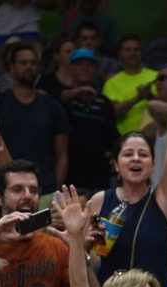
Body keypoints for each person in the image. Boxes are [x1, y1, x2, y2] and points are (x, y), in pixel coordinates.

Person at [89, 51, 167, 287]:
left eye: (143, 154)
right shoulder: (99, 201)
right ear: (116, 165)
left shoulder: (163, 199)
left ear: (152, 165)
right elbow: (90, 259)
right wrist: (83, 244)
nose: (136, 159)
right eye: (128, 154)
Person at [0, 40, 70, 195]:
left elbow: (62, 153)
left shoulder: (53, 107)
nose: (29, 66)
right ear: (12, 68)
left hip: (43, 192)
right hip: (1, 192)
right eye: (23, 63)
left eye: (33, 63)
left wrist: (56, 190)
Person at [61, 47, 119, 193]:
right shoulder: (61, 102)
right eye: (79, 64)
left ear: (95, 69)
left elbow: (112, 135)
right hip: (70, 176)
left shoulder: (104, 103)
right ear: (70, 69)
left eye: (89, 64)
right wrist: (75, 93)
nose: (84, 68)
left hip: (100, 177)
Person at [103, 35, 159, 135]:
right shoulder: (111, 83)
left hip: (155, 136)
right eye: (128, 50)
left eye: (136, 49)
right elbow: (112, 112)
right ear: (120, 54)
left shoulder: (156, 76)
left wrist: (150, 96)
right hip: (124, 137)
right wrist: (138, 98)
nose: (133, 53)